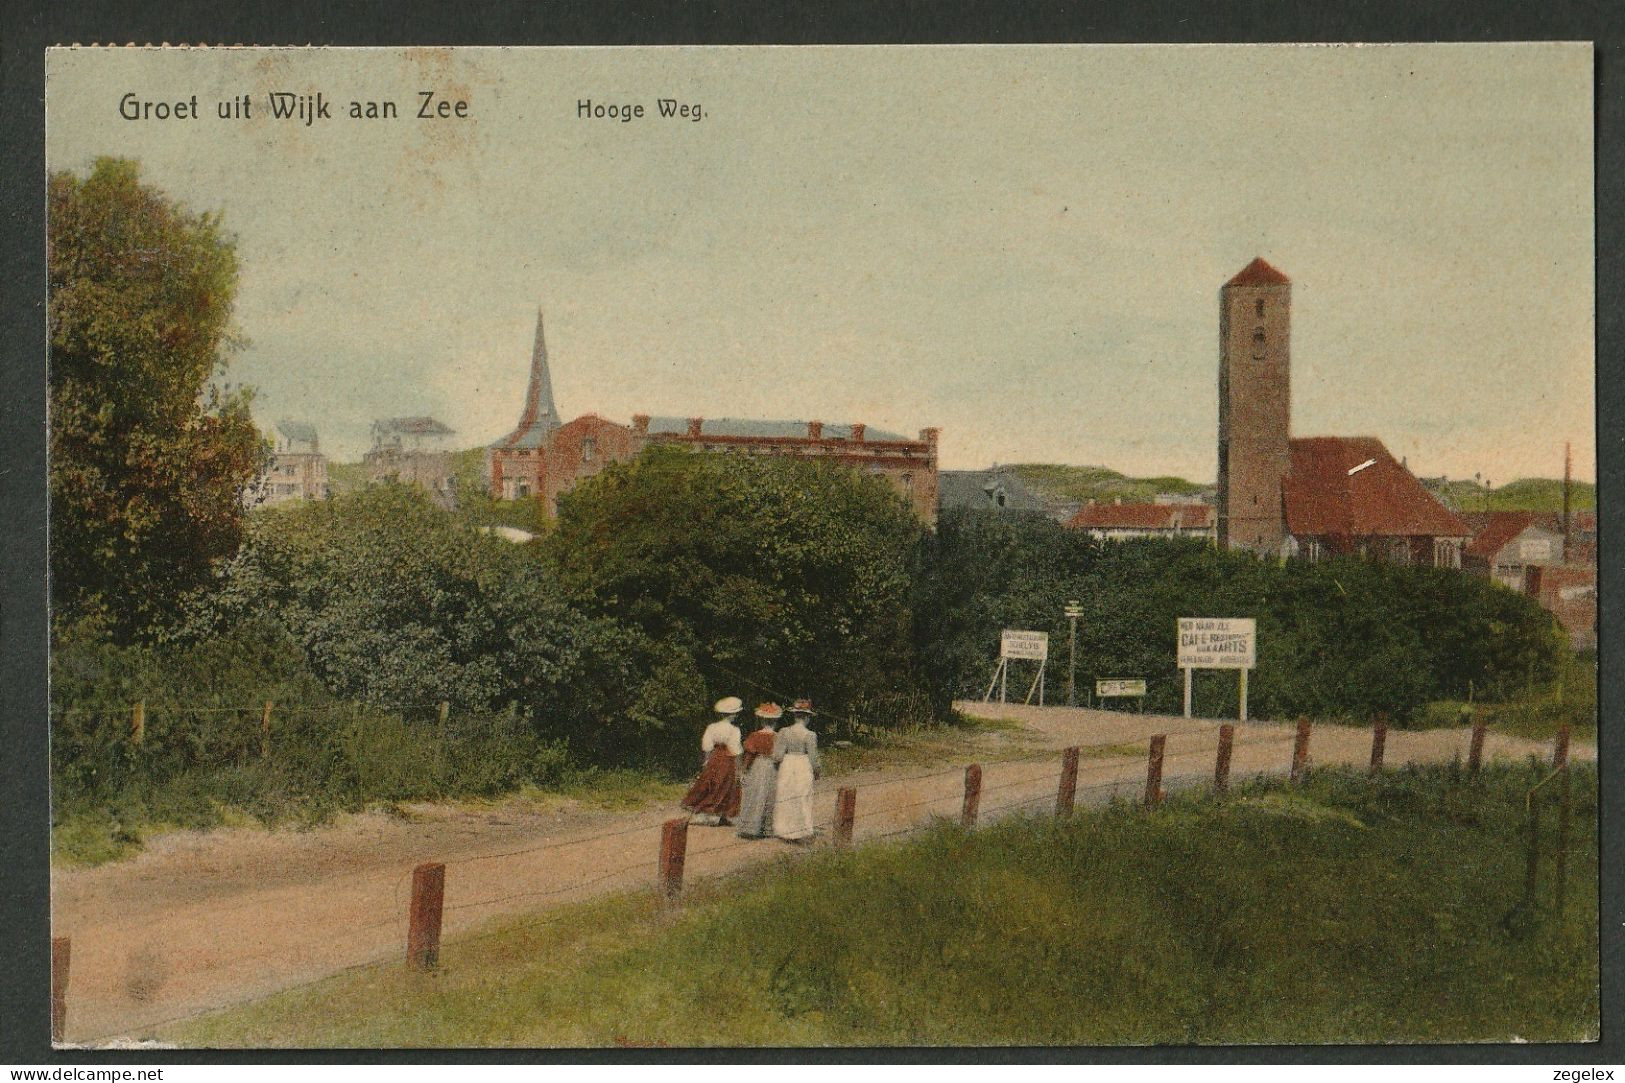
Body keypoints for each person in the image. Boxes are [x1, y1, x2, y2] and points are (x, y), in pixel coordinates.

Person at [682, 696, 743, 826]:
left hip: (714, 757)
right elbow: (735, 749)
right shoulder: (734, 730)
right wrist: (738, 768)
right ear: (731, 715)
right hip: (727, 759)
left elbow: (707, 746)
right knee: (725, 785)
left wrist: (706, 762)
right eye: (734, 714)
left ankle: (712, 814)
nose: (735, 716)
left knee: (710, 782)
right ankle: (715, 813)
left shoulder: (712, 727)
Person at [772, 698, 820, 842]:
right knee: (802, 796)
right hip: (802, 765)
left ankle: (784, 830)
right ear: (806, 717)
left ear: (795, 716)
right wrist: (817, 771)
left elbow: (777, 756)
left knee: (786, 795)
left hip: (787, 765)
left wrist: (778, 767)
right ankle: (802, 831)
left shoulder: (784, 732)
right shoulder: (810, 735)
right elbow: (813, 758)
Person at [736, 702, 782, 839]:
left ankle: (751, 827)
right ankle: (767, 828)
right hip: (772, 767)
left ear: (762, 720)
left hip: (758, 766)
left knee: (756, 794)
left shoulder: (755, 736)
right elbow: (780, 757)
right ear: (775, 722)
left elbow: (749, 755)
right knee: (770, 795)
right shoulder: (778, 736)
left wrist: (744, 770)